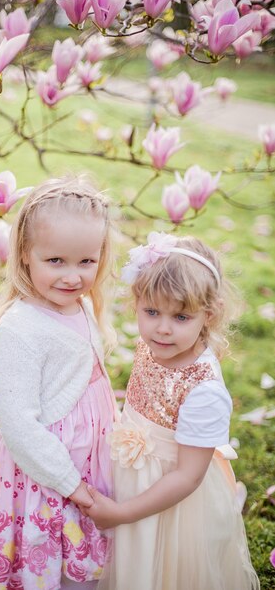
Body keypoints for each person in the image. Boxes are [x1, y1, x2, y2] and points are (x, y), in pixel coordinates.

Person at [82, 232, 260, 590]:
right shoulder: (150, 347)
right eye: (151, 312)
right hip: (132, 478)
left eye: (180, 317)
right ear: (137, 304)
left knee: (161, 571)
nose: (162, 329)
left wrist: (121, 513)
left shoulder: (203, 390)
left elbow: (187, 477)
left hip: (172, 504)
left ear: (208, 316)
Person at [0, 176, 118, 590]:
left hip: (87, 462)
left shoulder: (80, 305)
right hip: (50, 474)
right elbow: (19, 428)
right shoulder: (20, 329)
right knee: (50, 561)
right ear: (24, 255)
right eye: (55, 261)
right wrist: (75, 489)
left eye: (86, 262)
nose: (72, 277)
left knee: (84, 562)